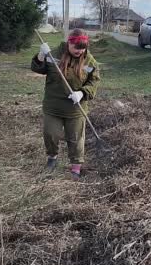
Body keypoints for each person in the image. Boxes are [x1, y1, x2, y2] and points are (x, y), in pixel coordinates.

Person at [31, 28, 101, 180]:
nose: (79, 51)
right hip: (53, 105)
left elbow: (94, 81)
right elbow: (39, 69)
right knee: (51, 133)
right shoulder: (54, 54)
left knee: (76, 138)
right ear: (69, 43)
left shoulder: (90, 60)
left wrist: (82, 93)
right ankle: (52, 158)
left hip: (76, 108)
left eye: (83, 48)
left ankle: (76, 166)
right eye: (76, 47)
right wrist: (41, 56)